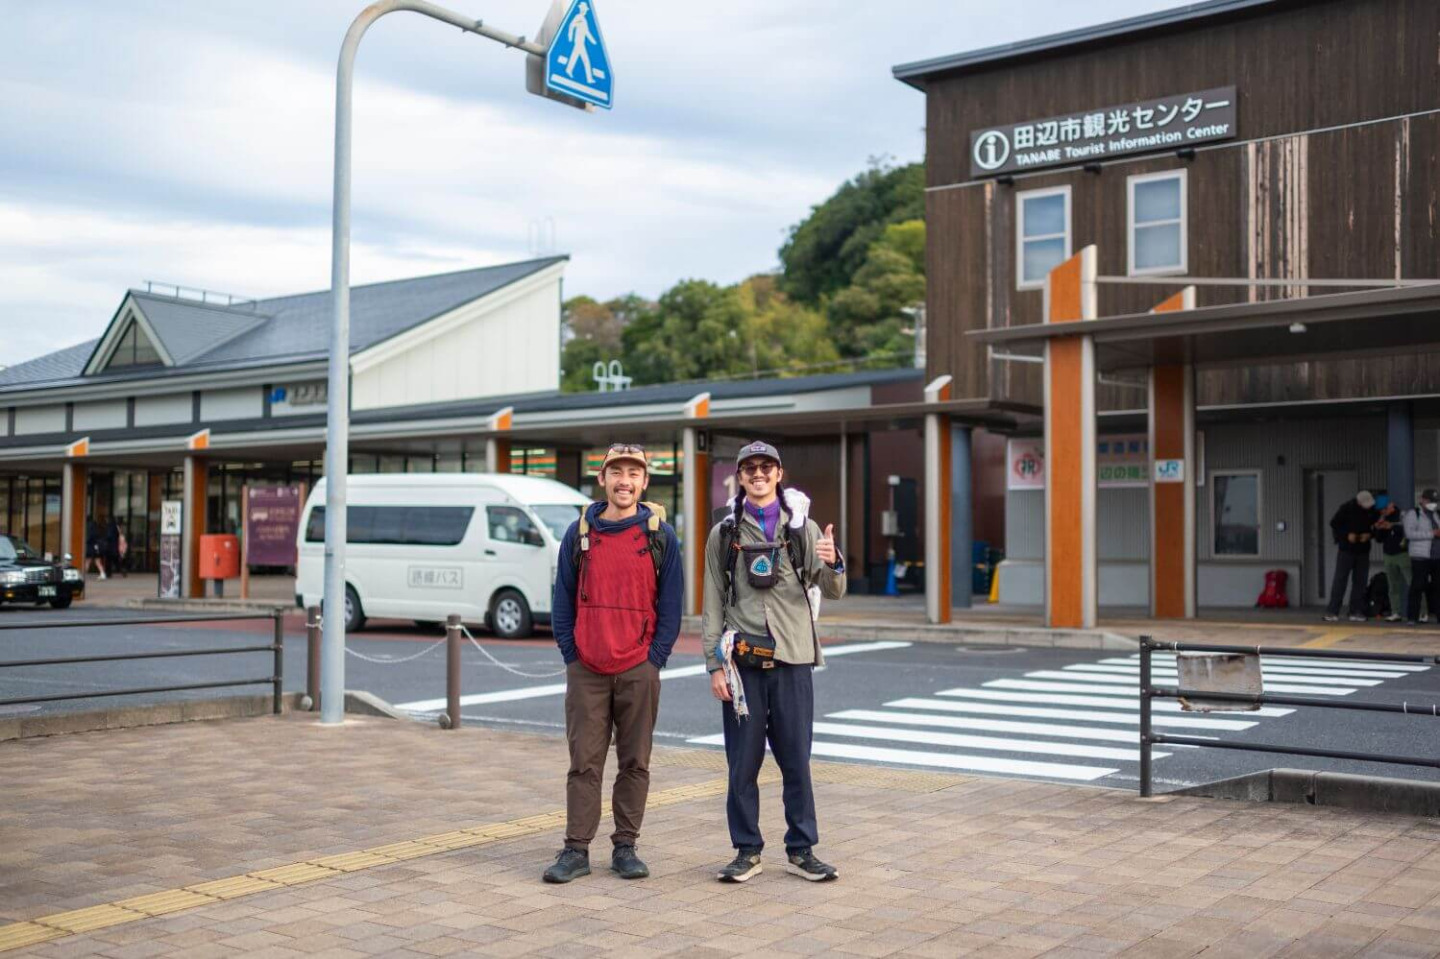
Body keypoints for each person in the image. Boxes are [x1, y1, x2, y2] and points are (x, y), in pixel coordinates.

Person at [704, 441, 847, 884]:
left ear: (779, 473)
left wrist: (834, 561)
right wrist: (714, 665)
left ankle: (802, 850)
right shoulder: (724, 532)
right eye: (750, 468)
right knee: (741, 765)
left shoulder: (802, 525)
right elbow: (712, 600)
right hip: (743, 664)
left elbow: (833, 589)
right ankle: (747, 851)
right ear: (740, 477)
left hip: (793, 658)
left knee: (796, 761)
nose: (758, 474)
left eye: (766, 467)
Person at [543, 443, 682, 884]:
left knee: (635, 760)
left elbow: (672, 604)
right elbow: (562, 598)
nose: (625, 481)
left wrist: (655, 658)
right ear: (602, 479)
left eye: (633, 473)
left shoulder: (661, 535)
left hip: (639, 666)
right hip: (587, 666)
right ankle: (576, 849)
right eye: (616, 472)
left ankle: (626, 846)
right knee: (584, 762)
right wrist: (571, 652)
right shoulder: (579, 532)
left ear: (645, 482)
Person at [1324, 490, 1380, 623]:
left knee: (1360, 581)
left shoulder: (1372, 511)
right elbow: (1334, 524)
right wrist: (1347, 535)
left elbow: (1376, 526)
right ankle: (1333, 611)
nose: (1368, 506)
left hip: (1363, 549)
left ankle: (1356, 610)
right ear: (1359, 502)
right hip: (1346, 549)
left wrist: (1370, 535)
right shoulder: (1346, 508)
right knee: (1340, 580)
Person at [1402, 488, 1440, 627]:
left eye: (1435, 501)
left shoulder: (1436, 514)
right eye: (1430, 501)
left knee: (1437, 587)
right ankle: (1412, 617)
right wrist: (1432, 533)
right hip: (1420, 557)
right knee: (1417, 586)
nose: (1432, 504)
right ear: (1422, 500)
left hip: (1436, 557)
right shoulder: (1413, 514)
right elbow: (1410, 534)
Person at [1375, 497, 1409, 623]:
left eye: (1384, 509)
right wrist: (1379, 528)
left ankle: (1422, 612)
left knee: (1412, 582)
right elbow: (1378, 539)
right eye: (1380, 510)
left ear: (1391, 505)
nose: (1383, 512)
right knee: (1392, 585)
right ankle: (1395, 612)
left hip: (1403, 553)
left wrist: (1391, 527)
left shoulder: (1402, 515)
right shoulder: (1383, 518)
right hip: (1388, 554)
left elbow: (1408, 531)